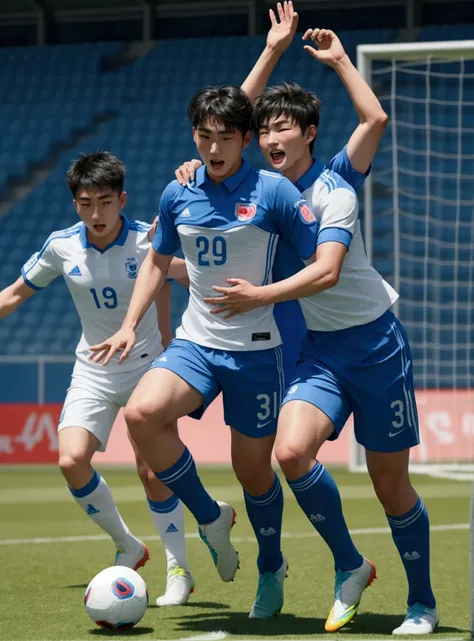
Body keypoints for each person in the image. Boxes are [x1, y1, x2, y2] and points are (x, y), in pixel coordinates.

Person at [197, 3, 438, 635]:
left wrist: (335, 60)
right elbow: (222, 127)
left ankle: (422, 603)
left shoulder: (335, 185)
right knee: (292, 451)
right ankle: (350, 565)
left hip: (377, 347)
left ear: (309, 133)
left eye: (283, 128)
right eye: (264, 129)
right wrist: (271, 51)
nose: (270, 138)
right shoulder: (256, 189)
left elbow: (328, 269)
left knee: (391, 486)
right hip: (320, 351)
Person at [89, 85, 319, 619]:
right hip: (196, 342)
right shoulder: (178, 192)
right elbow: (155, 262)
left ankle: (270, 567)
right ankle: (211, 517)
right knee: (142, 414)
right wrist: (129, 325)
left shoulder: (276, 192)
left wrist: (263, 294)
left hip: (259, 351)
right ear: (195, 136)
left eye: (226, 138)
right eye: (205, 137)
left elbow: (321, 263)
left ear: (245, 139)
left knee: (254, 474)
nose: (215, 149)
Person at [0, 151, 195, 607]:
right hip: (93, 369)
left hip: (147, 364)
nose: (96, 213)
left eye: (105, 202)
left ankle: (178, 569)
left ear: (121, 200)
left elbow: (184, 276)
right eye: (86, 203)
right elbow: (12, 294)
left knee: (153, 472)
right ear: (75, 206)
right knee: (71, 461)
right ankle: (129, 544)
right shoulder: (61, 246)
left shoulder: (149, 240)